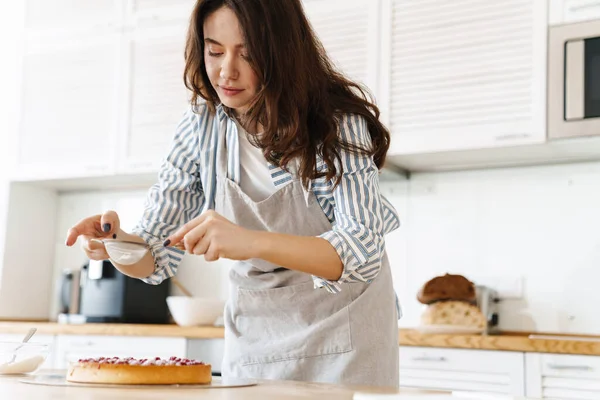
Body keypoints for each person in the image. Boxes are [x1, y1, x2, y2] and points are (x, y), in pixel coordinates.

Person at [65, 0, 401, 388]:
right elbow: (154, 258)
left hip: (346, 336)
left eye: (249, 54)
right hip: (256, 337)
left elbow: (361, 249)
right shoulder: (200, 127)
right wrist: (115, 243)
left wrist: (250, 242)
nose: (227, 71)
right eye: (214, 51)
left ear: (283, 53)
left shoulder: (335, 124)